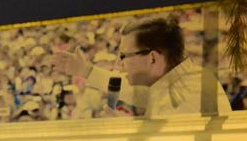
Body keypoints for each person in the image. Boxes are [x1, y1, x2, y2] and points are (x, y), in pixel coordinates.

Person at [52, 16, 232, 118]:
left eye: (124, 56)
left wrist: (123, 132)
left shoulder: (188, 94)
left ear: (152, 58)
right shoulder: (179, 81)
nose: (119, 63)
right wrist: (85, 70)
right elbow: (132, 91)